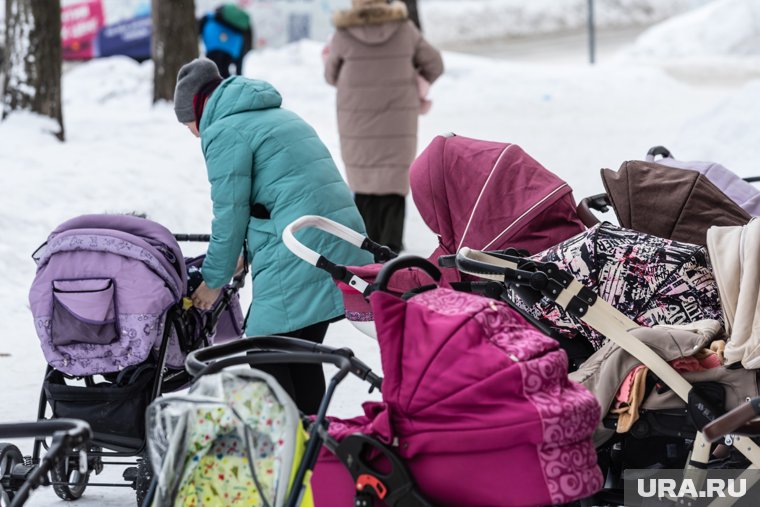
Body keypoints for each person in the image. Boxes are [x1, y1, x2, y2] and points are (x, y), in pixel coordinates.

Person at [174, 58, 372, 413]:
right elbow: (276, 197)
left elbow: (230, 214)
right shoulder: (276, 115)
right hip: (335, 240)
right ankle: (313, 451)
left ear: (197, 109)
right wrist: (244, 253)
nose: (192, 132)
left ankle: (293, 455)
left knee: (265, 353)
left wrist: (213, 281)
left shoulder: (223, 131)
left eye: (188, 123)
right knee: (298, 356)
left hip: (302, 247)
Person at [324, 0, 443, 253]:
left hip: (357, 122)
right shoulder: (404, 28)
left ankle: (367, 254)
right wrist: (417, 82)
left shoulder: (343, 34)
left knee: (364, 186)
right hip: (398, 123)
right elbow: (435, 64)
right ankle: (392, 255)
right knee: (393, 187)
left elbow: (331, 75)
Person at [198, 4, 254, 78]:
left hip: (214, 45)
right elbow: (241, 55)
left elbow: (199, 29)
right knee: (223, 71)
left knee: (214, 70)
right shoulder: (238, 30)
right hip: (232, 48)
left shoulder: (210, 18)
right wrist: (239, 75)